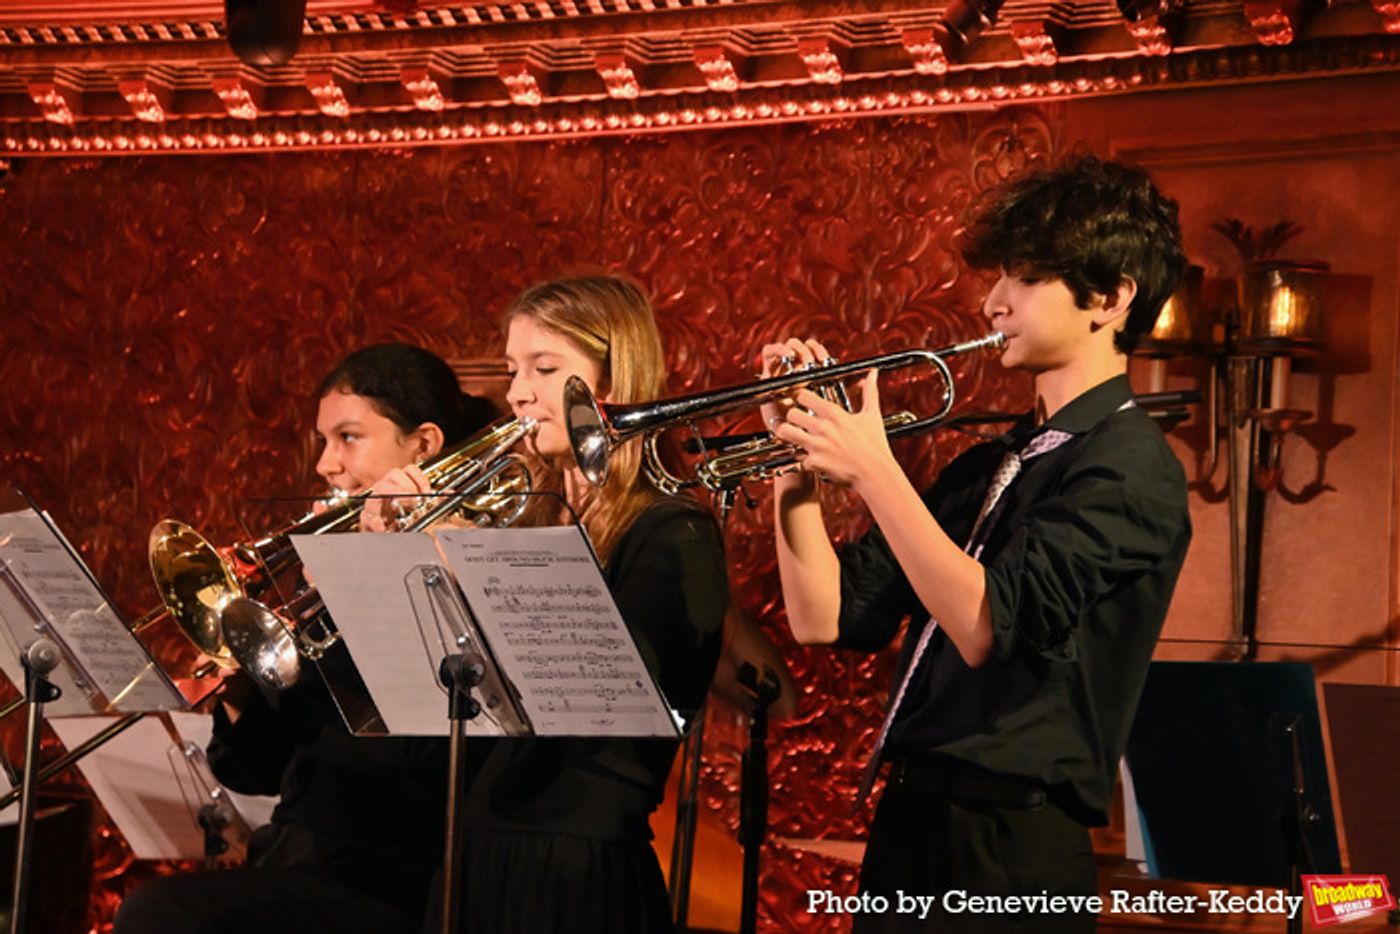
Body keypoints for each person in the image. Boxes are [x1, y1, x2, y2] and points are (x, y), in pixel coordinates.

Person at [764, 156, 1192, 932]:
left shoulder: (1132, 469)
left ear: (1110, 298)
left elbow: (985, 623)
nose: (993, 301)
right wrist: (791, 461)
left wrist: (874, 471)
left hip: (1011, 844)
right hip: (911, 823)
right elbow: (822, 615)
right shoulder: (990, 462)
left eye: (1024, 277)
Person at [367, 275, 728, 934]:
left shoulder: (675, 531)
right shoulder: (521, 520)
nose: (517, 393)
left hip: (575, 868)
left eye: (545, 368)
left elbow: (615, 695)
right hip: (475, 852)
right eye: (513, 370)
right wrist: (395, 565)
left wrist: (460, 550)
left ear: (611, 383)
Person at [115, 343, 499, 934]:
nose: (324, 464)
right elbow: (256, 774)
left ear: (423, 445)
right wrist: (240, 685)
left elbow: (409, 760)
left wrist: (367, 586)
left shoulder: (454, 572)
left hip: (395, 876)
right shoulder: (321, 572)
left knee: (156, 913)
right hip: (295, 860)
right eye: (323, 440)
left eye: (348, 438)